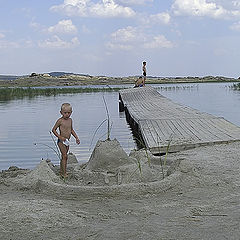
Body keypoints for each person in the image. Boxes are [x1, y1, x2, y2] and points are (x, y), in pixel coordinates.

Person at [52, 103, 80, 178]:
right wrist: (60, 137)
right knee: (65, 155)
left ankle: (62, 171)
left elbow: (71, 130)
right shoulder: (60, 121)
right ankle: (64, 173)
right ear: (61, 112)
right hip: (61, 141)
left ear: (71, 112)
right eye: (65, 113)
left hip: (67, 141)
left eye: (69, 113)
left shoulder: (70, 120)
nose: (67, 114)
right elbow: (53, 130)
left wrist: (76, 138)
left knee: (64, 157)